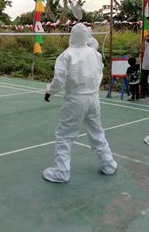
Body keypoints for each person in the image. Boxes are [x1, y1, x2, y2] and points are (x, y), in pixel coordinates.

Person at [43, 23, 117, 183]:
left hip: (75, 99)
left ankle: (61, 172)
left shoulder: (66, 55)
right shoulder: (94, 54)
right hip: (93, 98)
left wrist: (49, 91)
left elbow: (59, 79)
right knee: (97, 131)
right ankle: (109, 164)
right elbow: (99, 71)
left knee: (64, 135)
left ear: (72, 35)